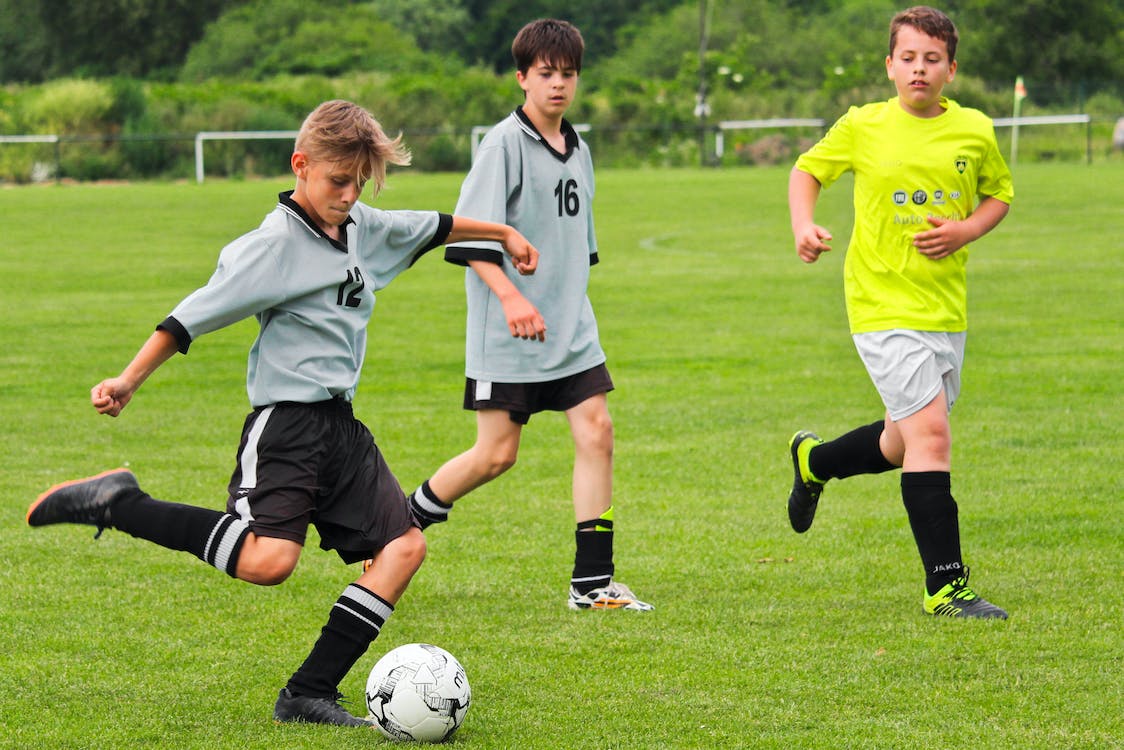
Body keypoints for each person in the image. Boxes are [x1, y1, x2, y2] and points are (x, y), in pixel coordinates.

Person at [26, 99, 539, 726]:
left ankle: (307, 693)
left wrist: (505, 234)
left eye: (359, 183)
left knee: (404, 549)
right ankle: (119, 504)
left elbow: (433, 226)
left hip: (342, 428)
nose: (349, 195)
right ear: (301, 165)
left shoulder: (363, 227)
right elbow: (192, 315)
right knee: (271, 562)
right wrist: (128, 379)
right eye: (337, 181)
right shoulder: (271, 247)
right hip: (287, 427)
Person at [399, 19, 652, 612]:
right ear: (522, 78)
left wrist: (568, 311)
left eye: (567, 74)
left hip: (570, 329)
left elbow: (575, 249)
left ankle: (592, 585)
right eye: (546, 74)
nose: (558, 85)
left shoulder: (580, 148)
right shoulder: (502, 145)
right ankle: (395, 524)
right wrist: (512, 298)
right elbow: (467, 239)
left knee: (598, 431)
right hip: (508, 331)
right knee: (495, 456)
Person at [785, 6, 1012, 619]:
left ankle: (816, 462)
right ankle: (946, 586)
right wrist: (804, 224)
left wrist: (964, 231)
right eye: (908, 58)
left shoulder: (975, 131)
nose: (919, 69)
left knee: (900, 441)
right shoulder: (863, 125)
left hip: (944, 309)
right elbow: (807, 170)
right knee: (933, 436)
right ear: (889, 66)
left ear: (951, 69)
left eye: (931, 59)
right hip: (880, 305)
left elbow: (999, 197)